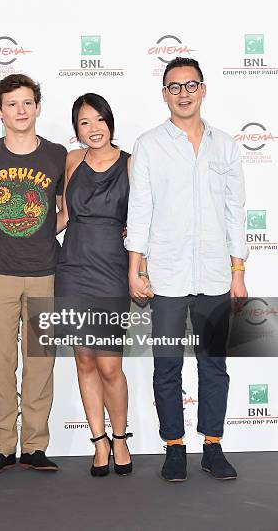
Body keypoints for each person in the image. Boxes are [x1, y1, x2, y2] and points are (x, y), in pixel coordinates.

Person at [125, 57, 248, 481]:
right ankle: (174, 446)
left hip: (215, 274)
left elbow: (235, 212)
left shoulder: (227, 145)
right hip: (167, 275)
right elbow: (140, 210)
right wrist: (135, 267)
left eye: (190, 85)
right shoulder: (148, 145)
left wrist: (238, 271)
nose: (183, 93)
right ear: (164, 94)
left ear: (203, 89)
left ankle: (212, 445)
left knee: (214, 364)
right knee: (167, 366)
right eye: (174, 86)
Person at [55, 93, 151, 477]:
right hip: (73, 264)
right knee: (84, 359)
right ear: (76, 129)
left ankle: (121, 438)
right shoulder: (71, 161)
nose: (93, 129)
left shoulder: (131, 164)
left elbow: (143, 224)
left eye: (99, 120)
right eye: (84, 122)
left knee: (110, 364)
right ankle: (98, 441)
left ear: (110, 122)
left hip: (112, 266)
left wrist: (140, 269)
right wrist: (19, 233)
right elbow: (62, 215)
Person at [0, 74, 67, 474]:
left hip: (45, 271)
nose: (20, 110)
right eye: (11, 104)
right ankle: (2, 445)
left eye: (27, 102)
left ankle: (34, 445)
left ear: (38, 107)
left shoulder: (57, 155)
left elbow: (64, 207)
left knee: (40, 361)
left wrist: (50, 227)